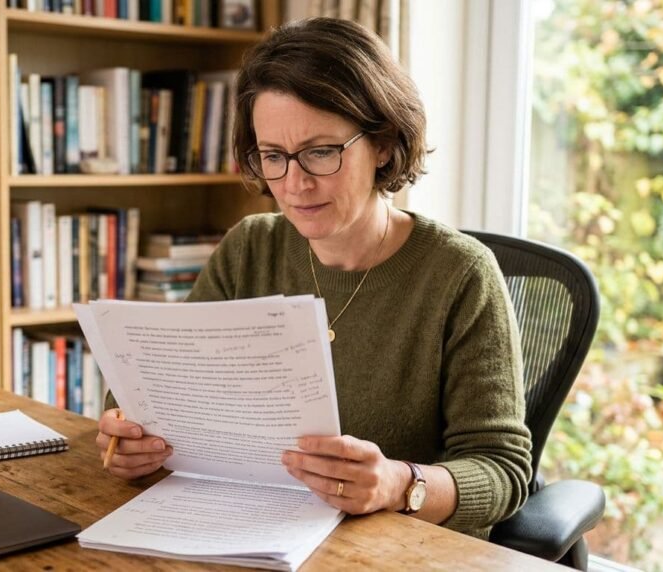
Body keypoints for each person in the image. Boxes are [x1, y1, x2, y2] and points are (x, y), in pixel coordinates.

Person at [96, 17, 532, 540]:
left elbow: (502, 471)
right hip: (245, 531)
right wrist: (129, 437)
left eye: (321, 152)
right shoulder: (251, 248)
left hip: (397, 551)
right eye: (274, 156)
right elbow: (153, 390)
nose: (295, 184)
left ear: (385, 144)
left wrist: (399, 484)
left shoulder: (460, 274)